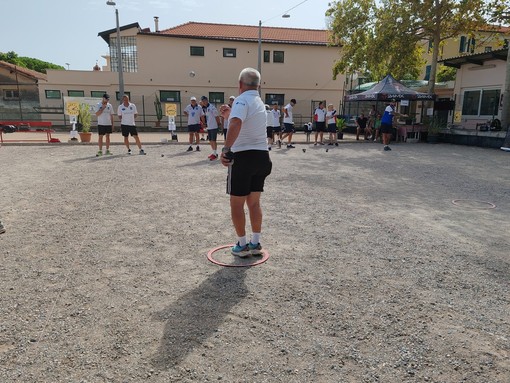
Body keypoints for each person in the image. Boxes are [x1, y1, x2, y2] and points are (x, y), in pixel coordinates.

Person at [219, 67, 272, 257]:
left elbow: (236, 124)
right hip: (262, 157)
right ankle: (255, 243)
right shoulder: (258, 102)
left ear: (240, 84)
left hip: (244, 158)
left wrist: (226, 149)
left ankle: (241, 246)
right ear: (258, 85)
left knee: (236, 204)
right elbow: (243, 122)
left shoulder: (241, 99)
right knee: (254, 204)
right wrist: (229, 115)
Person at [200, 95, 221, 160]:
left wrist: (219, 125)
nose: (204, 102)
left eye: (204, 100)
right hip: (209, 126)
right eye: (202, 101)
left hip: (213, 126)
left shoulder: (212, 107)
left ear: (207, 100)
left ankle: (215, 153)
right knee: (210, 140)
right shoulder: (204, 108)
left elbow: (217, 116)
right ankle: (214, 152)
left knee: (213, 140)